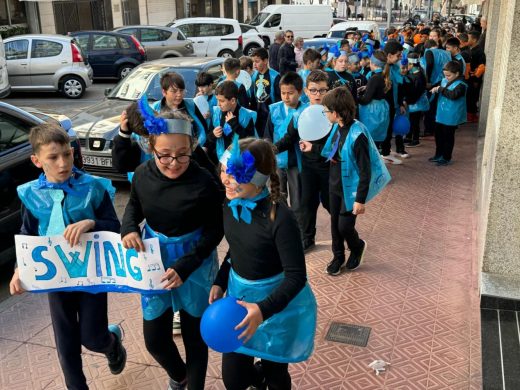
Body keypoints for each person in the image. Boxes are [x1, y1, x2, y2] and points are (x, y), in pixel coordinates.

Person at [10, 123, 126, 390]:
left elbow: (115, 228)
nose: (62, 163)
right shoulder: (31, 195)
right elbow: (27, 234)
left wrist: (91, 223)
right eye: (53, 157)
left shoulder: (93, 188)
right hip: (57, 278)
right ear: (37, 161)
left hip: (91, 276)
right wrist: (20, 268)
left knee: (92, 337)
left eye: (67, 154)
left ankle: (111, 344)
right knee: (66, 345)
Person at [121, 103, 224, 390]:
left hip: (195, 260)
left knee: (194, 337)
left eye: (182, 155)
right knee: (155, 339)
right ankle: (180, 376)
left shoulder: (204, 182)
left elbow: (216, 230)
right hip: (155, 258)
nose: (174, 163)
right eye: (164, 155)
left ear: (192, 147)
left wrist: (186, 265)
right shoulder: (143, 174)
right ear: (151, 147)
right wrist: (128, 228)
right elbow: (134, 205)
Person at [210, 137, 316, 390]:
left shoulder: (280, 217)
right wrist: (220, 280)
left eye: (235, 175)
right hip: (240, 298)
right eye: (224, 170)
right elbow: (235, 249)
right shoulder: (229, 202)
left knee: (276, 375)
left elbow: (296, 277)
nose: (226, 179)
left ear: (257, 179)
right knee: (234, 378)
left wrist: (263, 310)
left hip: (277, 305)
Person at [320, 87, 390, 275]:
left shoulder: (357, 134)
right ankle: (338, 256)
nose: (325, 114)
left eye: (325, 111)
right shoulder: (338, 127)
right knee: (335, 224)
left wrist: (360, 199)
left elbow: (365, 171)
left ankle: (357, 246)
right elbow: (333, 150)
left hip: (350, 190)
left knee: (345, 226)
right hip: (334, 184)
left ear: (335, 113)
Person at [284, 70, 331, 252]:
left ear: (328, 90)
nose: (318, 95)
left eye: (322, 90)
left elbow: (339, 145)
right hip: (308, 169)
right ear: (306, 91)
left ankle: (341, 235)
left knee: (332, 205)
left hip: (329, 169)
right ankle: (307, 238)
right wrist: (269, 149)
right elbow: (288, 139)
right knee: (307, 205)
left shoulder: (333, 113)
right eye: (313, 90)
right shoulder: (299, 115)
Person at [264, 72, 307, 228]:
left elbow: (293, 138)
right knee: (277, 199)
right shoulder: (274, 109)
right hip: (277, 163)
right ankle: (280, 230)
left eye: (290, 93)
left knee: (297, 201)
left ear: (300, 92)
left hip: (296, 162)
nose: (286, 97)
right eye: (283, 93)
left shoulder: (305, 111)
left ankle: (300, 233)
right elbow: (267, 135)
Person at [150, 72, 208, 147]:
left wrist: (198, 147)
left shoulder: (191, 105)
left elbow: (202, 128)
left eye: (181, 90)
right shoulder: (155, 109)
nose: (179, 94)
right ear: (164, 92)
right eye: (174, 91)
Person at [207, 81, 257, 163]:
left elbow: (249, 141)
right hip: (220, 160)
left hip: (239, 161)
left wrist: (234, 124)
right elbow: (209, 137)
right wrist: (213, 135)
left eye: (222, 101)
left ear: (233, 100)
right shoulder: (217, 113)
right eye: (217, 100)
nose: (218, 104)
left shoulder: (246, 116)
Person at [429, 61, 467, 166]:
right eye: (445, 75)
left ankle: (446, 157)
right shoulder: (443, 80)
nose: (446, 78)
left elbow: (453, 95)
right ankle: (438, 154)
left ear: (457, 74)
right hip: (441, 114)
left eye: (449, 75)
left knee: (448, 137)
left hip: (451, 116)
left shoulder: (461, 85)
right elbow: (433, 86)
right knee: (438, 135)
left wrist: (440, 89)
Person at [381, 40, 408, 164]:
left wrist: (401, 103)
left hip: (394, 104)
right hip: (386, 105)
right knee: (385, 129)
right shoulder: (382, 69)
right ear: (389, 55)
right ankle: (385, 154)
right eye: (398, 55)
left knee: (389, 128)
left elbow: (400, 86)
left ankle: (387, 150)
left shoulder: (395, 67)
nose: (400, 58)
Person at [358, 50, 391, 145]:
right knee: (376, 140)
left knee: (369, 139)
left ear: (372, 63)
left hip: (372, 111)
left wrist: (355, 97)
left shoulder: (374, 78)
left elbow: (365, 100)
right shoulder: (384, 76)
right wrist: (367, 87)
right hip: (382, 108)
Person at [250, 47, 281, 135]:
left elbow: (279, 99)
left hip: (270, 115)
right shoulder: (254, 75)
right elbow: (253, 95)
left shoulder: (275, 76)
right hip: (258, 115)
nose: (254, 64)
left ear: (265, 61)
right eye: (253, 62)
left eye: (257, 61)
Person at [403, 52, 428, 147]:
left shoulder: (418, 76)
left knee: (415, 122)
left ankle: (415, 139)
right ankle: (409, 136)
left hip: (416, 103)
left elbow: (416, 92)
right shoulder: (414, 74)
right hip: (412, 103)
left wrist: (408, 101)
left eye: (407, 65)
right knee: (410, 120)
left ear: (411, 64)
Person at [467, 30, 486, 123]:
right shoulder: (471, 49)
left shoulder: (479, 51)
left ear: (474, 40)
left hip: (474, 79)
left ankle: (472, 116)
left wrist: (476, 80)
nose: (467, 40)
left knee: (472, 97)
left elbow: (481, 67)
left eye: (468, 38)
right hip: (470, 78)